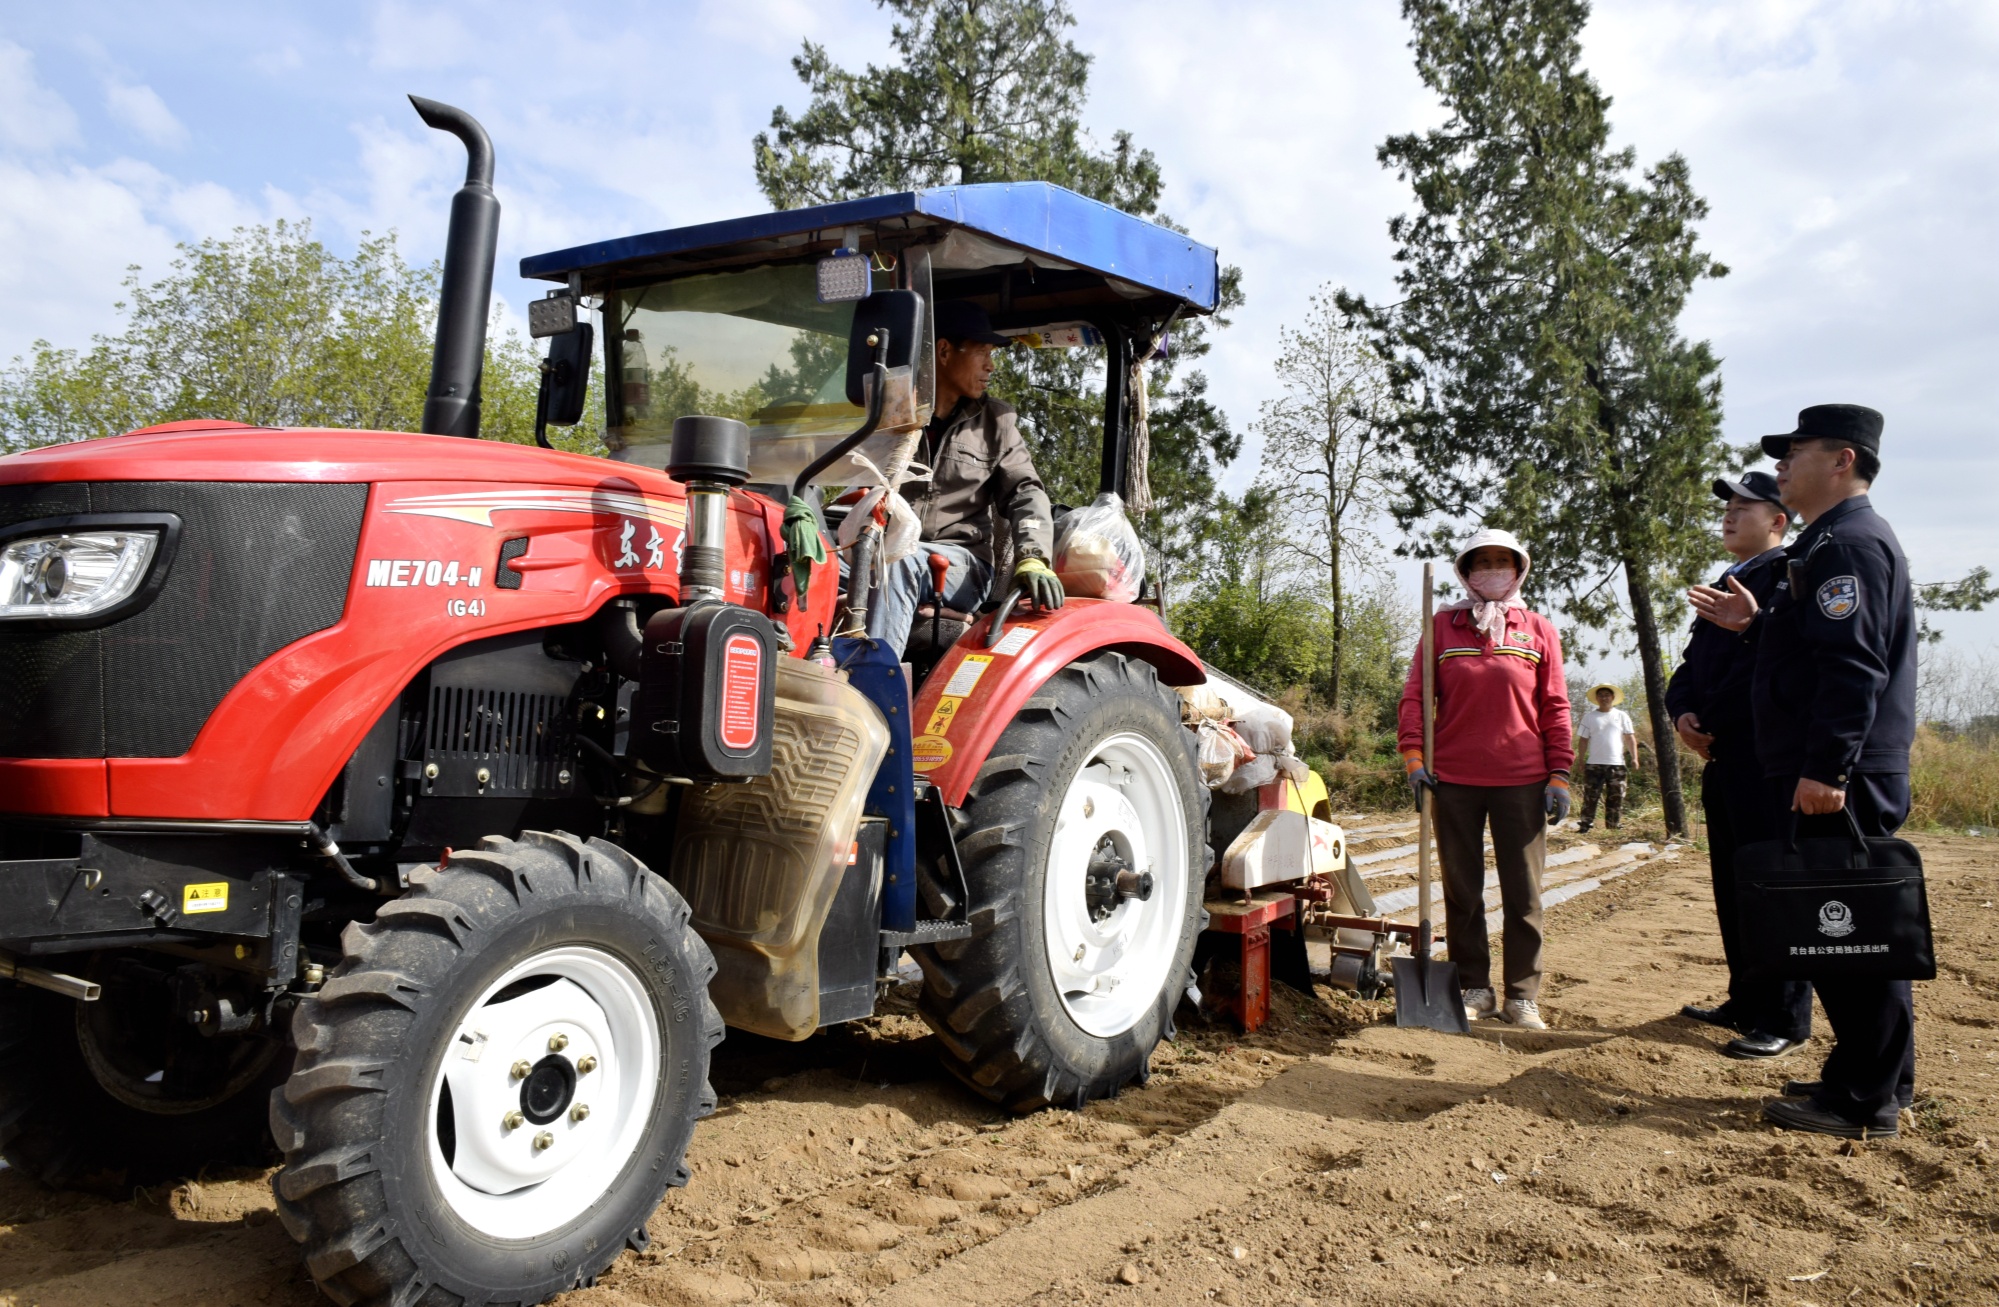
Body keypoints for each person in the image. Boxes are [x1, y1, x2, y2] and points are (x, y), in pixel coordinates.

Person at [1689, 404, 1918, 1139]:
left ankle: (1862, 1098)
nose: (1782, 465)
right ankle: (1877, 1076)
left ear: (1842, 460)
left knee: (1848, 934)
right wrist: (1754, 626)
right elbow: (1815, 650)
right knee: (1857, 931)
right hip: (1836, 768)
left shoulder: (1845, 546)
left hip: (1838, 776)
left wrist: (1825, 768)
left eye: (1795, 453)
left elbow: (1851, 667)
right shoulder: (1829, 542)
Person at [1400, 528, 1574, 1030]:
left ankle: (1522, 995)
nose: (1493, 570)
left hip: (1523, 779)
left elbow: (1556, 706)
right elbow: (1415, 697)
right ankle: (1474, 987)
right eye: (1483, 562)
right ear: (1466, 571)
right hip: (1452, 779)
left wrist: (1559, 773)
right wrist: (1414, 758)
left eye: (1504, 561)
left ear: (1519, 570)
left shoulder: (1537, 628)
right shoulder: (1442, 626)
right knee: (1462, 889)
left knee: (1524, 893)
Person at [1668, 471, 1813, 1060]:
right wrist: (1682, 714)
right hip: (1725, 759)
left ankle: (1784, 1015)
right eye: (1726, 508)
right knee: (1733, 885)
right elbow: (1690, 668)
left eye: (1743, 508)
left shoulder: (1787, 582)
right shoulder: (1727, 585)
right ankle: (1746, 998)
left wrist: (1754, 629)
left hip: (1767, 761)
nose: (1728, 517)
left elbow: (1784, 668)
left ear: (1777, 521)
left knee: (1773, 887)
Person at [858, 301, 1063, 651]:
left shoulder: (996, 423)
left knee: (898, 563)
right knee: (811, 563)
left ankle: (873, 693)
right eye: (983, 352)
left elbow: (1025, 492)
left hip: (959, 561)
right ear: (944, 351)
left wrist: (1033, 554)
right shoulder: (891, 413)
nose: (991, 366)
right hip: (877, 549)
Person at [1573, 683, 1638, 833]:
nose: (1604, 698)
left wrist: (1635, 758)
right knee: (1591, 795)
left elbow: (1630, 738)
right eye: (1601, 695)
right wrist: (1581, 759)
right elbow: (1583, 740)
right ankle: (1585, 824)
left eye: (1607, 695)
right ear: (1596, 698)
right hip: (1594, 764)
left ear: (1613, 697)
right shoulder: (1590, 717)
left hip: (1617, 764)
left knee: (1616, 796)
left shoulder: (1622, 716)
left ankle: (1613, 824)